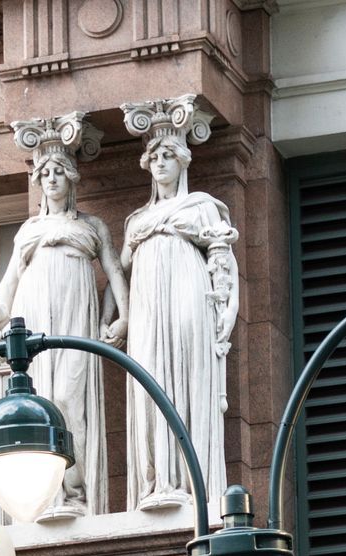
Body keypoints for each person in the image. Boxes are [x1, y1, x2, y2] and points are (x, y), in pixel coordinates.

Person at [0, 143, 128, 517]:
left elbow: (113, 270)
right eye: (44, 174)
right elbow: (12, 278)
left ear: (71, 178)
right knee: (45, 401)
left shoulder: (90, 225)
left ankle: (78, 491)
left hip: (74, 316)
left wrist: (123, 316)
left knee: (68, 400)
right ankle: (56, 495)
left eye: (58, 172)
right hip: (35, 314)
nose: (51, 179)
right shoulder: (30, 229)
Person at [121, 126, 238, 507]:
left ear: (182, 162)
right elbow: (122, 264)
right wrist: (117, 315)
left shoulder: (201, 206)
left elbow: (222, 255)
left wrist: (226, 305)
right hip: (147, 304)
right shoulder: (137, 219)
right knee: (150, 378)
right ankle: (159, 482)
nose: (159, 164)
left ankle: (191, 482)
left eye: (167, 156)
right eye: (153, 158)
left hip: (187, 293)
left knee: (187, 377)